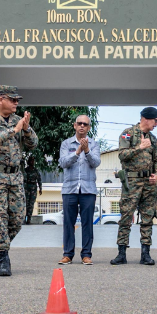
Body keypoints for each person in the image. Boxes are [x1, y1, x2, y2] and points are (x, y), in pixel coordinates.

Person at [0, 85, 37, 276]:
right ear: (0, 99)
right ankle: (3, 257)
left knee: (18, 219)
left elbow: (33, 144)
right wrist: (14, 130)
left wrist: (26, 130)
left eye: (17, 100)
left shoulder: (19, 121)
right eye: (12, 99)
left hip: (16, 176)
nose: (16, 103)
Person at [112, 107, 157, 266]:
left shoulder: (153, 139)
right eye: (155, 120)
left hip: (149, 184)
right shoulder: (128, 133)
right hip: (131, 183)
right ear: (146, 119)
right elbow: (122, 155)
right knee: (126, 218)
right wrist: (139, 147)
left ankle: (145, 254)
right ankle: (121, 253)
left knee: (147, 218)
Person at [58, 113, 100, 265]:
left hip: (88, 190)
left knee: (87, 223)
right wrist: (77, 152)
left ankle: (86, 255)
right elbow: (63, 162)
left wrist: (87, 150)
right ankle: (68, 254)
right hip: (70, 189)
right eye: (79, 123)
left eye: (85, 124)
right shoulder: (66, 144)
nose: (82, 126)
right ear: (75, 126)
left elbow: (96, 163)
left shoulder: (94, 144)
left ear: (89, 128)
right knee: (68, 223)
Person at [24, 155, 42, 226]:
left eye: (33, 160)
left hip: (33, 188)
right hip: (27, 188)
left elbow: (39, 180)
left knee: (31, 204)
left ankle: (29, 219)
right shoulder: (26, 170)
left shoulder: (36, 171)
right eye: (31, 160)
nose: (32, 162)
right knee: (26, 204)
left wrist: (40, 188)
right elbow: (23, 180)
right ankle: (24, 219)